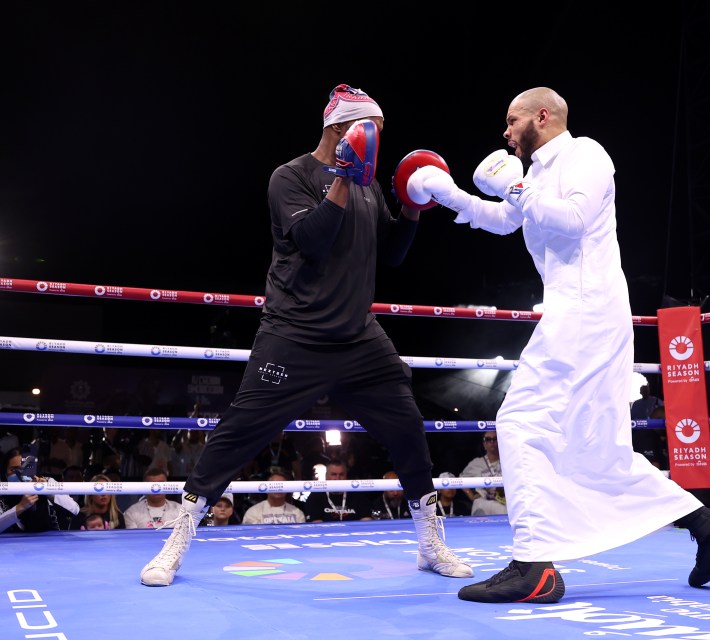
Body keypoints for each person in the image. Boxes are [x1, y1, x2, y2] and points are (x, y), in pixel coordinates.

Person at [406, 86, 710, 603]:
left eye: (512, 120)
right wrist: (445, 190)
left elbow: (572, 219)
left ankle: (533, 567)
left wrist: (515, 185)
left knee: (519, 421)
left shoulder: (586, 154)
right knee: (600, 448)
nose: (504, 132)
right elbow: (505, 221)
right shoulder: (537, 175)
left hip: (586, 309)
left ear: (541, 117)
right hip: (580, 311)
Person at [139, 83, 471, 586]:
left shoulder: (368, 185)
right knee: (236, 436)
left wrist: (411, 207)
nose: (378, 145)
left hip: (359, 338)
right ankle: (174, 544)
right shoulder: (289, 177)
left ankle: (430, 545)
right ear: (343, 130)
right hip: (294, 334)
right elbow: (313, 242)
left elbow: (393, 254)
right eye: (373, 133)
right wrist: (343, 176)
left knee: (408, 429)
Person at [301, 459, 373, 522]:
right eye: (334, 474)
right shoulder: (316, 496)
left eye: (341, 474)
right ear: (326, 476)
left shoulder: (358, 496)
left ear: (346, 476)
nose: (338, 478)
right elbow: (316, 526)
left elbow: (366, 522)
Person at [459, 432, 508, 516]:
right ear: (484, 444)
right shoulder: (476, 463)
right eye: (488, 439)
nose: (492, 442)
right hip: (482, 503)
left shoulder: (508, 462)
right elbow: (461, 479)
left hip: (503, 503)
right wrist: (471, 495)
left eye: (495, 439)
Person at [241, 470, 306, 525]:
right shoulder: (253, 512)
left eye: (282, 486)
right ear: (266, 489)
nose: (278, 488)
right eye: (274, 485)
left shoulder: (297, 513)